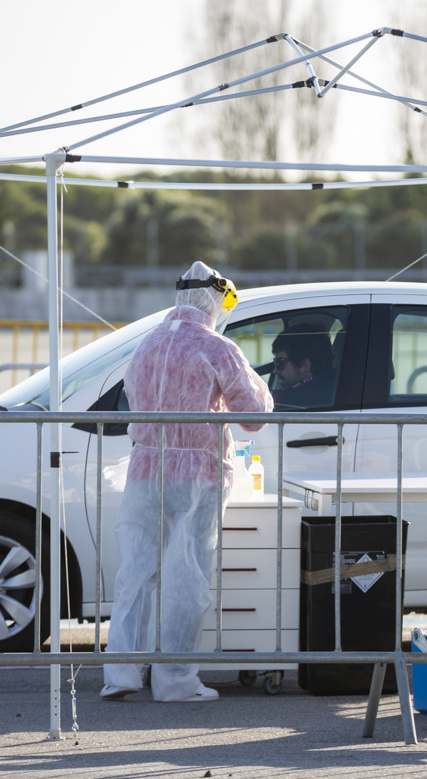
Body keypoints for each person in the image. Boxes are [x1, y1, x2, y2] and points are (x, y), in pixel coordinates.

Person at [102, 261, 273, 702]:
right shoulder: (217, 348)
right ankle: (174, 680)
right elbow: (253, 417)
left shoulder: (146, 344)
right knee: (186, 576)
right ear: (216, 300)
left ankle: (121, 673)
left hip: (145, 471)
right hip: (197, 476)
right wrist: (257, 381)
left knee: (135, 573)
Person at [270, 324, 336, 410]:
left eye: (280, 363)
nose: (275, 371)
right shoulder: (331, 383)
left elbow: (258, 398)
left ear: (304, 365)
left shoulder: (313, 392)